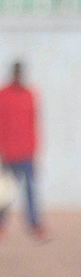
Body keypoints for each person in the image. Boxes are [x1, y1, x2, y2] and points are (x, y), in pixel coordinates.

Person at [0, 61, 46, 240]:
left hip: (26, 153)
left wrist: (35, 150)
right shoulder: (3, 95)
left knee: (31, 191)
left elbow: (34, 123)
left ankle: (34, 224)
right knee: (5, 192)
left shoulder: (29, 95)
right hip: (9, 153)